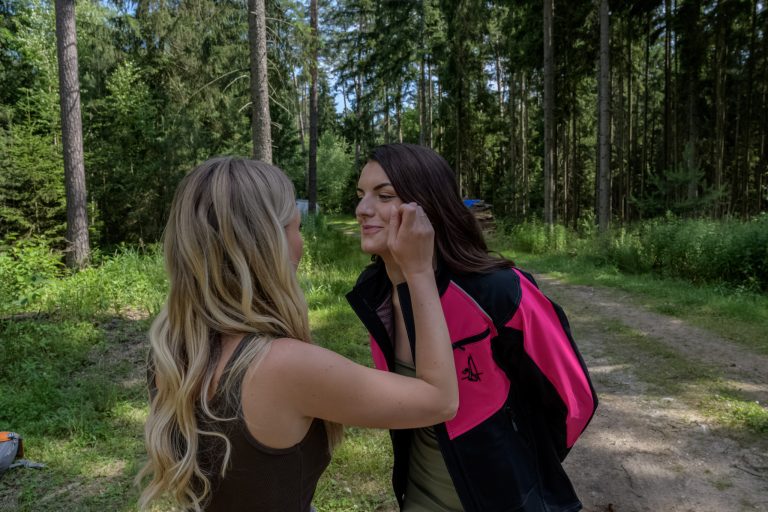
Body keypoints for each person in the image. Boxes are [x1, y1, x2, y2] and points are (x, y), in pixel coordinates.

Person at [137, 157, 458, 512]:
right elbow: (440, 400)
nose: (300, 242)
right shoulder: (282, 366)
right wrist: (418, 271)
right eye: (297, 227)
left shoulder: (170, 352)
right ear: (269, 244)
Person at [347, 143, 598, 512]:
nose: (362, 209)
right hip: (418, 499)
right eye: (361, 195)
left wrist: (523, 468)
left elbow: (575, 400)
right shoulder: (375, 294)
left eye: (384, 196)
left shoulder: (498, 291)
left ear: (428, 207)